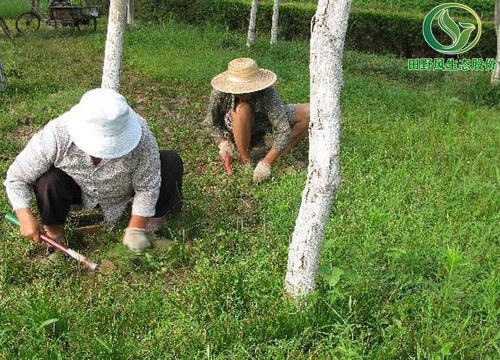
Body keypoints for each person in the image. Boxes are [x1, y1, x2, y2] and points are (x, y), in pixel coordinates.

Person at [4, 88, 183, 254]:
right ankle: (55, 238)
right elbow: (17, 177)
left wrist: (135, 228)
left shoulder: (142, 135)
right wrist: (24, 214)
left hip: (125, 188)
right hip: (76, 190)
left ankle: (151, 230)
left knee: (169, 162)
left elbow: (147, 186)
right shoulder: (57, 134)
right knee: (48, 181)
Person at [204, 57, 310, 184]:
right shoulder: (219, 93)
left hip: (263, 121)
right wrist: (223, 142)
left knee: (309, 112)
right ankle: (245, 159)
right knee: (243, 108)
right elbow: (210, 122)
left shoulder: (268, 93)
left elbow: (283, 130)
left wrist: (266, 163)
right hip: (235, 123)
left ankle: (279, 154)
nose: (244, 92)